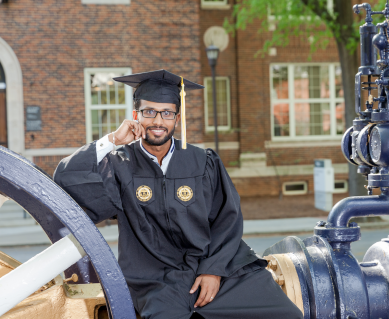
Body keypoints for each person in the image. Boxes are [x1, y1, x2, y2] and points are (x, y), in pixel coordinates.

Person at [54, 70, 303, 319]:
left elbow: (227, 218)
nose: (158, 121)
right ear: (135, 116)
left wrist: (213, 270)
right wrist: (111, 140)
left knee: (285, 314)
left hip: (218, 267)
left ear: (177, 118)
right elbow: (66, 179)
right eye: (149, 112)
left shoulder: (203, 162)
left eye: (167, 113)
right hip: (156, 281)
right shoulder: (120, 165)